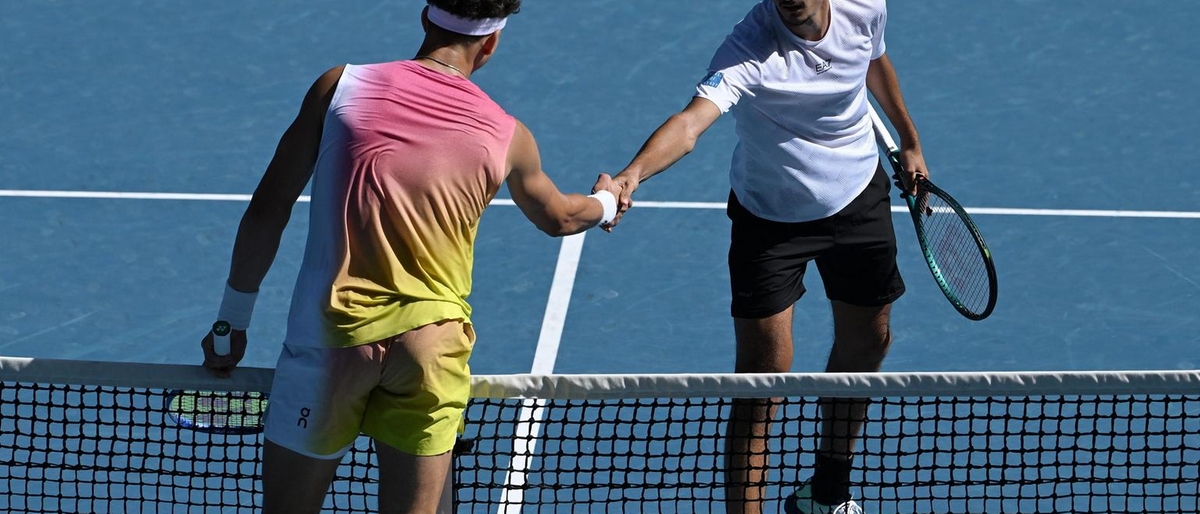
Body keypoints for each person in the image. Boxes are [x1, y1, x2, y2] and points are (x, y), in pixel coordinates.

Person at [198, 1, 620, 513]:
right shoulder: (509, 136)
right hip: (432, 351)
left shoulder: (340, 88)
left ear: (426, 17)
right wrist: (609, 201)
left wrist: (231, 323)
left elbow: (268, 210)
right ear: (491, 43)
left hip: (335, 342)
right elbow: (561, 218)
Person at [603, 1, 925, 513]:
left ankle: (826, 494)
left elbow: (873, 59)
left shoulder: (865, 6)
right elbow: (689, 125)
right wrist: (631, 174)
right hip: (770, 220)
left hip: (857, 196)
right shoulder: (749, 47)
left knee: (870, 342)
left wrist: (909, 140)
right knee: (762, 378)